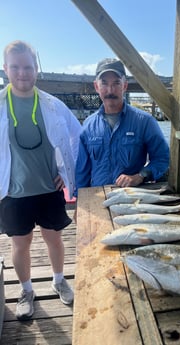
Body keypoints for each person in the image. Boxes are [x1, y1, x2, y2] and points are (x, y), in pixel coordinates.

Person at [0, 40, 82, 321]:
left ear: (36, 69)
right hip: (13, 192)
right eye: (15, 67)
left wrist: (66, 171)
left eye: (28, 67)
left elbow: (76, 135)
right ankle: (25, 290)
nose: (22, 73)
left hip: (49, 188)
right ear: (5, 68)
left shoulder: (52, 104)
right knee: (20, 244)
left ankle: (59, 280)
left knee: (54, 239)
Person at [75, 58, 170, 189]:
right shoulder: (87, 126)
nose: (110, 90)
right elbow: (82, 171)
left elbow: (162, 158)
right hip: (99, 199)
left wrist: (140, 176)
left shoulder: (145, 121)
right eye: (104, 84)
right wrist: (80, 202)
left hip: (132, 200)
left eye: (116, 83)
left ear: (125, 85)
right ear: (96, 86)